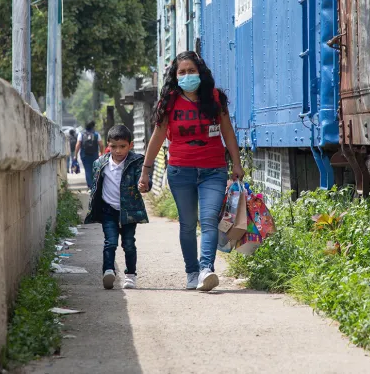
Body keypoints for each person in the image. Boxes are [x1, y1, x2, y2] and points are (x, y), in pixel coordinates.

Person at [138, 51, 244, 292]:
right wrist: (146, 169)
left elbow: (227, 132)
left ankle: (206, 269)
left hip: (213, 170)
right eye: (182, 72)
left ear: (200, 72)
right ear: (175, 77)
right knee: (187, 224)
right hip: (180, 171)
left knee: (208, 219)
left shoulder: (215, 99)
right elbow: (157, 137)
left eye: (191, 71)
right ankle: (191, 272)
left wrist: (236, 164)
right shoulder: (169, 101)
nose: (187, 75)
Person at [84, 125, 149, 289]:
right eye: (114, 146)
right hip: (108, 210)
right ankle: (108, 271)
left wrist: (143, 186)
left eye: (122, 146)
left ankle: (130, 275)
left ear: (130, 145)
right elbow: (96, 186)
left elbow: (142, 180)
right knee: (110, 242)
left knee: (128, 243)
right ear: (108, 145)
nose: (118, 151)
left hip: (129, 211)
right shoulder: (100, 163)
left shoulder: (136, 161)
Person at [75, 121, 103, 189]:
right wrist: (101, 153)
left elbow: (78, 145)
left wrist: (76, 155)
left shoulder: (81, 134)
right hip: (94, 155)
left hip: (84, 155)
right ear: (93, 126)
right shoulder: (96, 134)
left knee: (87, 170)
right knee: (94, 169)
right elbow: (101, 145)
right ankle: (95, 185)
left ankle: (90, 186)